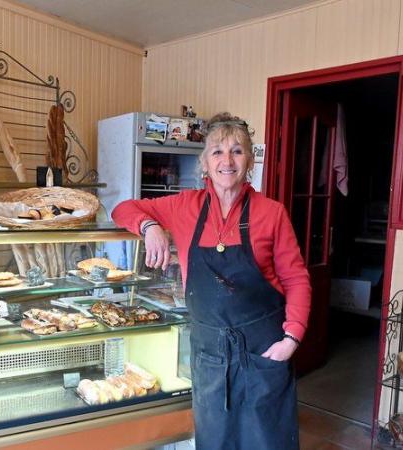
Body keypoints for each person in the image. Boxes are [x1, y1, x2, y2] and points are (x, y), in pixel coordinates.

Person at [111, 112, 311, 449]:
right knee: (215, 440)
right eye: (217, 151)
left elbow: (296, 278)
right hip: (210, 355)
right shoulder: (184, 206)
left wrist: (291, 338)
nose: (227, 161)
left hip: (264, 350)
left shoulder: (272, 212)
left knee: (266, 439)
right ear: (205, 162)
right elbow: (122, 209)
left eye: (237, 151)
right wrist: (150, 227)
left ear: (249, 161)